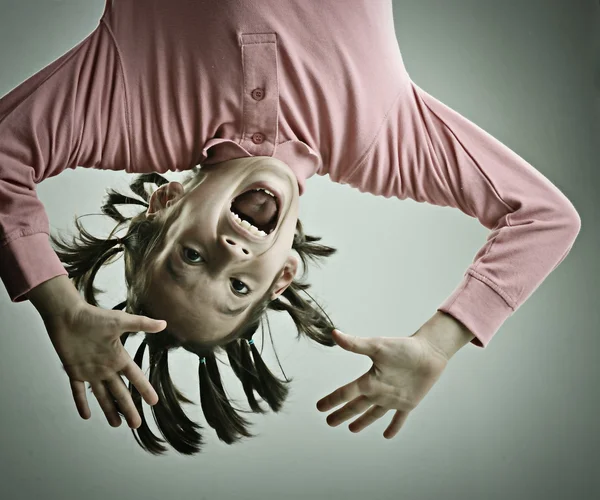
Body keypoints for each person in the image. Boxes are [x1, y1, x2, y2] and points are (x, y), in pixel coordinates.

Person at [0, 0, 581, 456]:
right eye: (239, 287)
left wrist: (60, 305)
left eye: (193, 259)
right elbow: (544, 218)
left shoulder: (123, 110)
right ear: (283, 275)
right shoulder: (378, 140)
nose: (229, 251)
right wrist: (439, 342)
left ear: (165, 202)